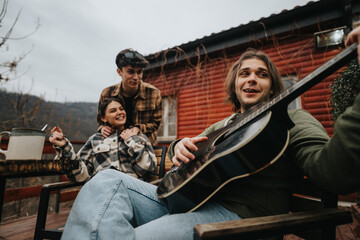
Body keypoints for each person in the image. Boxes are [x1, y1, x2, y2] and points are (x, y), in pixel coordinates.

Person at [61, 28, 360, 240]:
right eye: (245, 73)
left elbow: (332, 171)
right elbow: (180, 154)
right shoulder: (224, 125)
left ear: (274, 86)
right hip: (186, 202)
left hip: (240, 218)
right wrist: (178, 146)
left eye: (262, 74)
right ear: (235, 84)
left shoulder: (291, 119)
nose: (252, 78)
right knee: (106, 180)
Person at [50, 98, 157, 182]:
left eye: (121, 109)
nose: (119, 112)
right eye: (113, 110)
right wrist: (64, 147)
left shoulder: (139, 137)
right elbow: (81, 175)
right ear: (103, 118)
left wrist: (131, 140)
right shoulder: (95, 140)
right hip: (101, 189)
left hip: (130, 188)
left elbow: (147, 170)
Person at [97, 49, 162, 146]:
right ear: (119, 72)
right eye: (131, 72)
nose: (136, 77)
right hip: (115, 149)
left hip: (145, 147)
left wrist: (138, 129)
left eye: (139, 72)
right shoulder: (106, 93)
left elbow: (155, 124)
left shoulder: (154, 93)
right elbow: (101, 121)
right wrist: (102, 129)